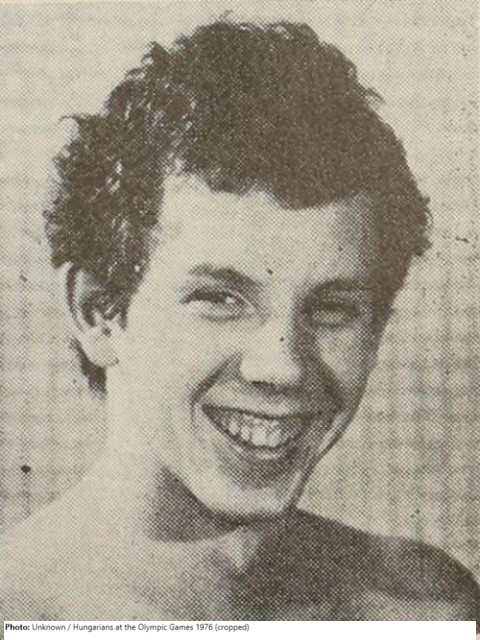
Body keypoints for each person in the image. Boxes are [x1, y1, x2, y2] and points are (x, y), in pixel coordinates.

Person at [0, 20, 478, 623]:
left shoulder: (426, 607)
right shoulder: (19, 609)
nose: (283, 368)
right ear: (98, 312)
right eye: (222, 299)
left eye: (332, 309)